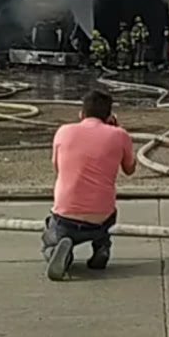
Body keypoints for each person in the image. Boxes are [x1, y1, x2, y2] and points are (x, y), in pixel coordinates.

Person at [43, 90, 137, 281]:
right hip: (101, 218)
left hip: (66, 217)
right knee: (105, 217)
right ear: (110, 116)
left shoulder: (63, 131)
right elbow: (130, 169)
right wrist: (116, 131)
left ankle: (56, 251)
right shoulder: (120, 135)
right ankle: (101, 246)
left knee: (49, 232)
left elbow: (57, 168)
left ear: (81, 114)